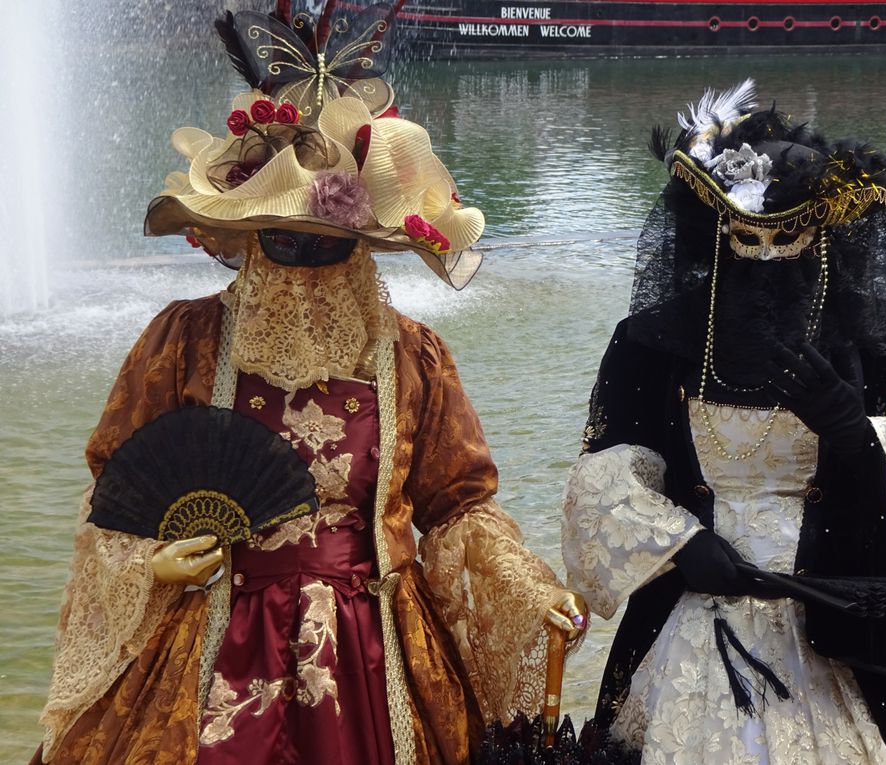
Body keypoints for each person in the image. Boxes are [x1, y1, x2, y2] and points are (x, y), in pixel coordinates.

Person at [33, 4, 586, 764]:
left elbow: (459, 509)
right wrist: (147, 564)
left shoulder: (413, 357)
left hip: (371, 645)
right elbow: (113, 498)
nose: (302, 269)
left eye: (325, 249)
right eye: (283, 242)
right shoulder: (183, 342)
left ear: (360, 252)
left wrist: (527, 587)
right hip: (215, 633)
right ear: (252, 240)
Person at [562, 79, 886, 764]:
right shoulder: (658, 341)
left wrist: (861, 439)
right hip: (692, 619)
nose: (761, 253)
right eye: (743, 232)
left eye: (785, 233)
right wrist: (677, 540)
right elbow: (603, 470)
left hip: (845, 622)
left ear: (826, 225)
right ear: (715, 225)